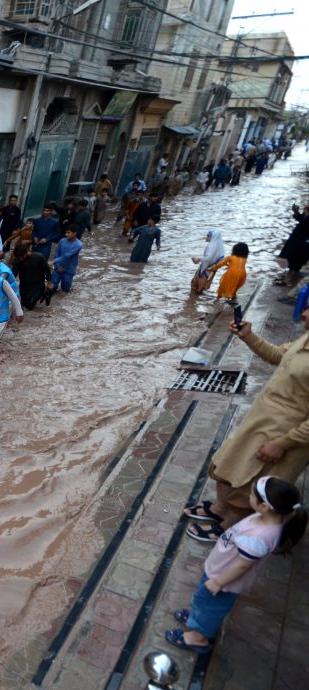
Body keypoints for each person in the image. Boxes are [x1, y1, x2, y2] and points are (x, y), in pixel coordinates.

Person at [182, 306, 309, 542]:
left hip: (285, 437)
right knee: (227, 465)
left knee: (252, 486)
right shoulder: (306, 338)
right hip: (261, 422)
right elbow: (279, 356)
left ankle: (230, 528)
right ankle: (221, 510)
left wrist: (282, 443)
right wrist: (248, 336)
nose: (304, 313)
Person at [167, 476, 306, 653]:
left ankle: (198, 637)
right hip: (220, 571)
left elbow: (242, 566)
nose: (249, 496)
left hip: (225, 582)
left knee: (210, 608)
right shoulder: (265, 517)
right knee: (203, 602)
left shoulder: (260, 537)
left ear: (265, 506)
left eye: (252, 494)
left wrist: (218, 581)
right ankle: (196, 618)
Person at [10, 244, 52, 310]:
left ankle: (42, 293)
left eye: (22, 256)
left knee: (29, 305)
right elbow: (13, 274)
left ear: (27, 252)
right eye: (19, 257)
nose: (20, 259)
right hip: (24, 284)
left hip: (38, 285)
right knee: (22, 304)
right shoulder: (17, 260)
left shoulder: (39, 257)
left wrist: (49, 283)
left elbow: (47, 270)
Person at [279, 205, 309, 287]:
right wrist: (296, 212)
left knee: (296, 260)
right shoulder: (306, 215)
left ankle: (288, 280)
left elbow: (306, 221)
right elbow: (302, 219)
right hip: (297, 239)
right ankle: (292, 276)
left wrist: (306, 213)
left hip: (303, 243)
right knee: (292, 259)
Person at [52, 225, 83, 293]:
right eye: (66, 233)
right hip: (58, 266)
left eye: (68, 233)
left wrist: (53, 261)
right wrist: (57, 265)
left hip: (69, 268)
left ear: (74, 233)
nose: (66, 234)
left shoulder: (78, 244)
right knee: (52, 285)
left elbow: (66, 256)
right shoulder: (62, 241)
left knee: (65, 288)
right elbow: (57, 253)